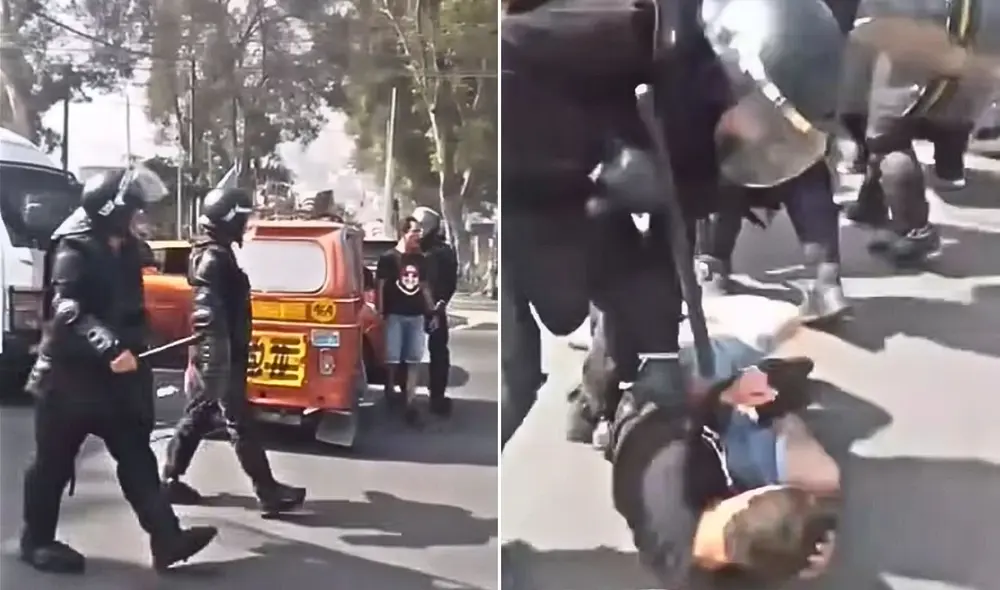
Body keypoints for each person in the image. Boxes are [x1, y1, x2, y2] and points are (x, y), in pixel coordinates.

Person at [501, 0, 850, 583]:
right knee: (514, 379)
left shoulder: (709, 140)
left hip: (589, 215)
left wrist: (664, 358)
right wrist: (596, 154)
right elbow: (504, 58)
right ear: (740, 70)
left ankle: (600, 397)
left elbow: (670, 247)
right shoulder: (633, 31)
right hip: (519, 193)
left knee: (634, 317)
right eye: (763, 119)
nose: (761, 139)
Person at [20, 166, 218, 574]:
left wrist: (142, 340)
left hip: (114, 381)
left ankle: (167, 538)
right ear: (113, 212)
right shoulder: (75, 247)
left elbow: (128, 305)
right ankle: (36, 541)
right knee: (52, 465)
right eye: (134, 210)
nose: (140, 217)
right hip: (68, 381)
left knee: (136, 458)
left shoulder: (125, 246)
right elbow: (67, 310)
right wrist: (109, 346)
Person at [607, 357, 840, 587]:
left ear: (742, 498)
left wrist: (724, 393)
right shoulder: (732, 570)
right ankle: (779, 410)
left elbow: (695, 418)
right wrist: (801, 556)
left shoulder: (679, 472)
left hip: (654, 424)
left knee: (715, 363)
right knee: (822, 475)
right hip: (672, 448)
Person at [161, 187, 307, 515]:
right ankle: (268, 492)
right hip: (220, 355)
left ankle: (169, 479)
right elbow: (206, 314)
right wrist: (218, 363)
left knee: (198, 416)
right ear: (230, 219)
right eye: (243, 218)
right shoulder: (214, 258)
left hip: (218, 352)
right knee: (239, 421)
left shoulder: (215, 252)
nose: (246, 224)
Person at [696, 160, 850, 323]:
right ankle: (712, 268)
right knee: (714, 171)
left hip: (781, 153)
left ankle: (826, 280)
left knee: (809, 168)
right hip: (734, 157)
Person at [376, 216, 441, 425]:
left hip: (416, 315)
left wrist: (432, 311)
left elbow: (424, 287)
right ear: (404, 232)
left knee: (414, 359)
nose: (419, 236)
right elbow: (380, 286)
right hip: (394, 314)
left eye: (420, 231)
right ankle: (390, 391)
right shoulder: (388, 258)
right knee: (393, 358)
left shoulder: (421, 260)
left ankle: (410, 401)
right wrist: (380, 311)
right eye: (415, 231)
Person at [412, 206, 459, 417]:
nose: (418, 229)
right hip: (411, 308)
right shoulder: (410, 249)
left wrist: (441, 303)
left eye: (421, 225)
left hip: (434, 309)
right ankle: (406, 397)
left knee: (438, 353)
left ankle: (437, 398)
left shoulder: (442, 252)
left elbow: (450, 281)